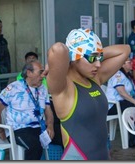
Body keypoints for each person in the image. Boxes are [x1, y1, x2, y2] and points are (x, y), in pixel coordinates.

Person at [45, 28, 130, 160]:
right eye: (92, 58)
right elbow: (58, 50)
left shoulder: (95, 78)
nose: (98, 64)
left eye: (99, 58)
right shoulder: (63, 88)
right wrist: (59, 62)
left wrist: (95, 53)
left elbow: (125, 50)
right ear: (75, 57)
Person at [0, 60, 54, 160]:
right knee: (34, 146)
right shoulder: (13, 88)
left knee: (60, 137)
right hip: (18, 129)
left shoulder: (43, 88)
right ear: (29, 73)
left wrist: (50, 126)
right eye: (40, 72)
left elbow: (48, 109)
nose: (43, 75)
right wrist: (0, 131)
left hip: (39, 127)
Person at [0, 19, 11, 90]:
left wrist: (8, 70)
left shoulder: (3, 41)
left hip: (3, 72)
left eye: (1, 27)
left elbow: (7, 57)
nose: (0, 29)